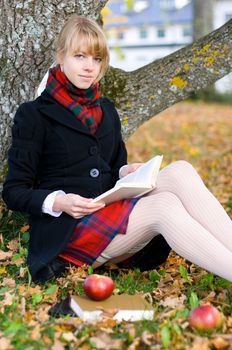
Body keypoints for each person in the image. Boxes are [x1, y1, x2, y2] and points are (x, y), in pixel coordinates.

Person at [2, 15, 232, 284]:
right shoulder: (34, 115)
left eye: (97, 59)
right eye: (80, 56)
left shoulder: (106, 110)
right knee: (164, 207)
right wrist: (59, 201)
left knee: (181, 170)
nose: (90, 67)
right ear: (61, 56)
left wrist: (127, 171)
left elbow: (113, 166)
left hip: (111, 209)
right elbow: (14, 191)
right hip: (70, 229)